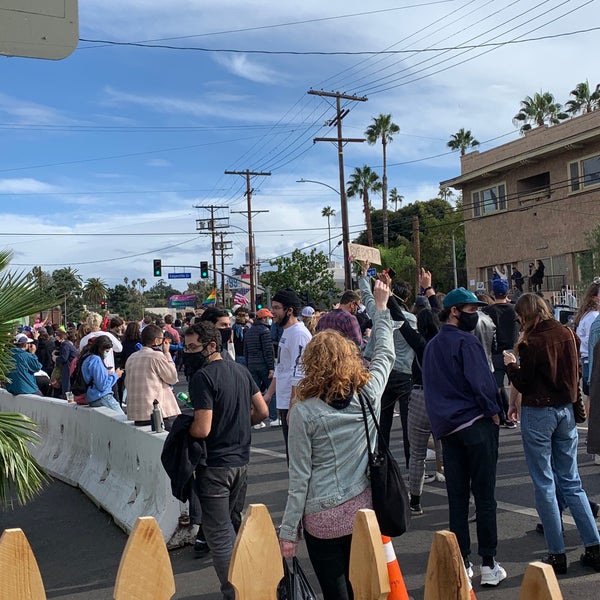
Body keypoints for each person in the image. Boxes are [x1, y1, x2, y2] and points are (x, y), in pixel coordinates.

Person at [279, 280, 394, 600]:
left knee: (336, 593)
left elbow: (300, 477)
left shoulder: (303, 413)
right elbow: (384, 353)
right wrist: (381, 309)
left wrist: (289, 532)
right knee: (369, 590)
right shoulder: (368, 395)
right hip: (365, 515)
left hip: (321, 520)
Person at [504, 293, 600, 574]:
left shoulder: (531, 342)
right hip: (565, 412)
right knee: (571, 481)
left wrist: (510, 364)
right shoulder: (568, 333)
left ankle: (556, 554)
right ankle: (594, 545)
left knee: (545, 483)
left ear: (525, 315)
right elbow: (578, 369)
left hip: (538, 412)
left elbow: (524, 381)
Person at [422, 287, 506, 586]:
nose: (476, 315)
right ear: (455, 311)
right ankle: (489, 563)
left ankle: (462, 564)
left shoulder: (432, 346)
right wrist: (495, 411)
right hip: (476, 424)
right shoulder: (467, 343)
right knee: (485, 497)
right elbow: (482, 384)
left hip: (448, 429)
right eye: (471, 310)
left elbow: (430, 389)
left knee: (457, 499)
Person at [186, 321, 268, 600]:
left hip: (215, 465)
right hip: (241, 461)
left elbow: (202, 429)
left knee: (219, 535)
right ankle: (248, 583)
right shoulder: (241, 371)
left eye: (193, 348)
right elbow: (263, 411)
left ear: (211, 346)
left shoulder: (203, 378)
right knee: (231, 526)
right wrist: (240, 424)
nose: (189, 353)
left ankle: (234, 591)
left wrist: (184, 428)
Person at [359, 268, 416, 467]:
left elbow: (366, 297)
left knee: (382, 420)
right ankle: (413, 462)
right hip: (405, 374)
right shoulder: (412, 320)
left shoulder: (377, 312)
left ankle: (380, 462)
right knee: (409, 423)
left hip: (381, 373)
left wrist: (364, 275)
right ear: (407, 298)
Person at [263, 290, 311, 454]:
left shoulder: (299, 334)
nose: (272, 312)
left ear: (289, 310)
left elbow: (300, 372)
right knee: (291, 453)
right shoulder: (287, 332)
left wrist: (293, 405)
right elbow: (281, 367)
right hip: (284, 402)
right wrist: (269, 395)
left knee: (297, 455)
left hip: (294, 404)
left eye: (276, 308)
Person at [124, 324, 180, 428]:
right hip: (156, 412)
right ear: (156, 341)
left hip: (136, 414)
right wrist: (167, 353)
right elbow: (172, 377)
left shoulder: (132, 357)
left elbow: (127, 383)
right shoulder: (157, 356)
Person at [483, 276, 520, 428]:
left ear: (492, 292)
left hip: (496, 352)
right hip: (514, 351)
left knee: (497, 387)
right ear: (508, 292)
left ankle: (499, 415)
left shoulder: (487, 311)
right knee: (516, 385)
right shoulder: (515, 310)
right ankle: (516, 416)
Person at [243, 307, 275, 427]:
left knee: (254, 392)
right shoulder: (265, 331)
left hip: (251, 364)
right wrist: (271, 368)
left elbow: (245, 350)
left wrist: (247, 364)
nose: (270, 320)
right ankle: (273, 418)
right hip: (263, 365)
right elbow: (268, 351)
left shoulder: (249, 331)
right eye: (269, 318)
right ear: (264, 318)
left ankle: (256, 419)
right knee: (271, 391)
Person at [80, 335, 124, 414]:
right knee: (122, 419)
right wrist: (116, 375)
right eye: (106, 351)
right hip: (102, 396)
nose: (106, 354)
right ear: (100, 349)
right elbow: (102, 385)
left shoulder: (87, 358)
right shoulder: (96, 360)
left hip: (92, 397)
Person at [574, 282, 600, 397]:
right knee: (593, 398)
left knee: (591, 398)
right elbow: (594, 343)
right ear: (594, 297)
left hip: (586, 360)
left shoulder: (588, 315)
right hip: (591, 361)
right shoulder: (594, 316)